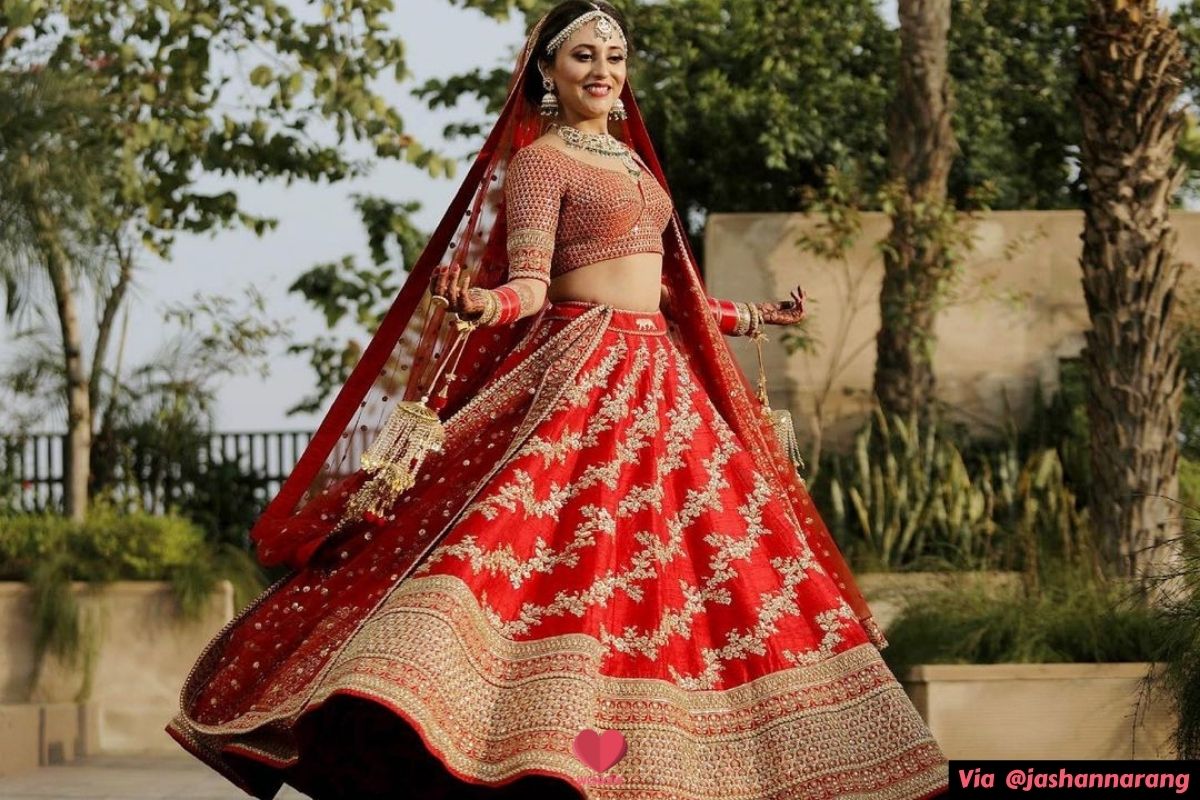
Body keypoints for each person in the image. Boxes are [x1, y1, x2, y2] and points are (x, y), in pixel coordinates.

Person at [166, 3, 951, 798]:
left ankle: (689, 766)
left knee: (699, 573)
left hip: (665, 385)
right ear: (547, 71)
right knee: (549, 558)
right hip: (583, 376)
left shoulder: (636, 163)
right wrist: (482, 306)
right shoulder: (544, 160)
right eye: (583, 55)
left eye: (615, 55)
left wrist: (753, 316)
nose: (603, 70)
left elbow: (667, 294)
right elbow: (533, 286)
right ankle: (536, 748)